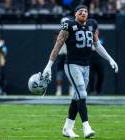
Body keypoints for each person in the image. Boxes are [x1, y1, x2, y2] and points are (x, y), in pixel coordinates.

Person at [42, 5, 118, 138]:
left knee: (77, 97)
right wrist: (48, 66)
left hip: (85, 66)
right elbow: (58, 45)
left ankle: (67, 128)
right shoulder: (68, 25)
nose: (83, 13)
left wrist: (110, 59)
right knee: (82, 94)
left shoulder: (91, 24)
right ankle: (86, 127)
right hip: (72, 64)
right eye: (80, 11)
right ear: (75, 14)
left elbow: (97, 45)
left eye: (85, 11)